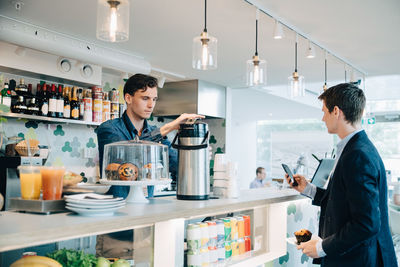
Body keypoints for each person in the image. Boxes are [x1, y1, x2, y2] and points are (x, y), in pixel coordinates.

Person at [286, 83, 397, 266]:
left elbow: (366, 223)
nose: (323, 119)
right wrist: (309, 189)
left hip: (358, 259)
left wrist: (322, 247)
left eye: (324, 112)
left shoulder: (357, 154)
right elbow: (344, 200)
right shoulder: (355, 148)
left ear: (336, 111)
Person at [97, 73, 204, 198]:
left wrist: (197, 152)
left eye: (154, 99)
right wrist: (168, 127)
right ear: (128, 98)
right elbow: (128, 157)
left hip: (146, 205)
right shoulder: (109, 129)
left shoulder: (156, 133)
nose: (151, 105)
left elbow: (177, 166)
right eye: (145, 98)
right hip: (117, 207)